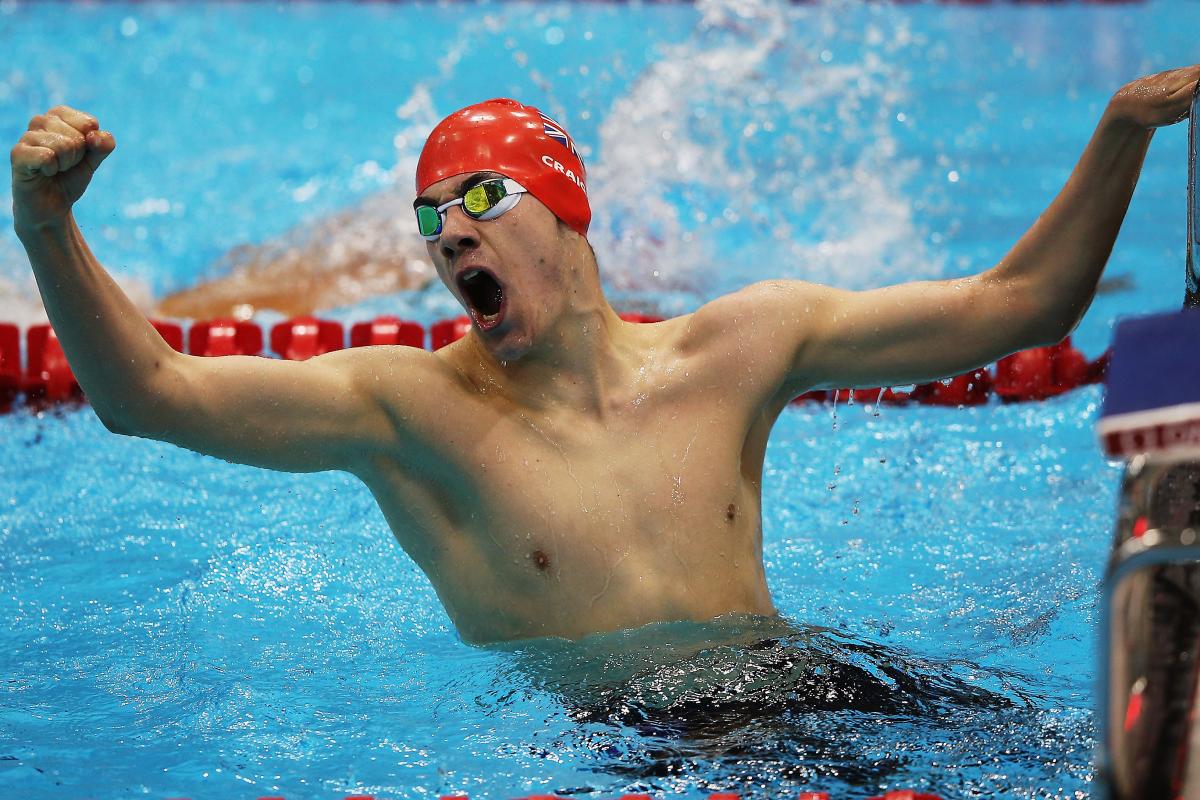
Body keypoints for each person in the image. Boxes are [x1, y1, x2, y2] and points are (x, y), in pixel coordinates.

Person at [10, 67, 1199, 645]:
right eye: (430, 218)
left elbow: (1025, 303)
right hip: (621, 757)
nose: (449, 231)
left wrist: (1124, 126)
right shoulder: (405, 410)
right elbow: (147, 395)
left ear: (566, 207)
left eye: (479, 194)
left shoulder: (742, 343)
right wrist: (46, 227)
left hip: (817, 693)